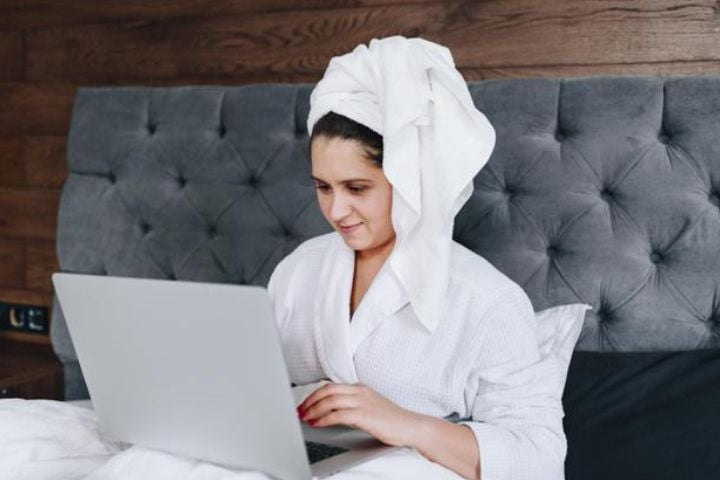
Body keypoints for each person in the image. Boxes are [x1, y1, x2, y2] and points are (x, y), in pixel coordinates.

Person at [267, 37, 565, 480]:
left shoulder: (487, 301)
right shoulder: (300, 268)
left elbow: (539, 460)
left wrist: (407, 425)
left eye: (357, 188)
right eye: (323, 187)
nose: (335, 211)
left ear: (411, 180)